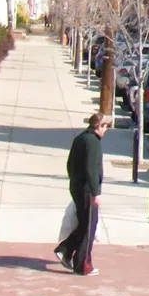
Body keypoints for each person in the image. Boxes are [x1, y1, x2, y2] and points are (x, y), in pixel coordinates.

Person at [57, 112, 107, 276]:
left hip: (78, 188)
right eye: (105, 126)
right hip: (87, 191)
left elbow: (70, 164)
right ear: (98, 126)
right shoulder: (93, 142)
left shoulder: (80, 138)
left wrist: (75, 182)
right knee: (89, 227)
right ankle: (83, 265)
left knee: (85, 224)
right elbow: (91, 169)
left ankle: (66, 249)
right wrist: (95, 192)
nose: (106, 130)